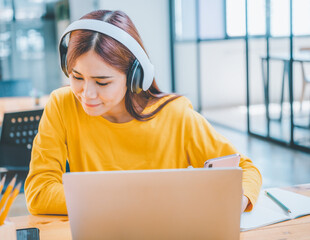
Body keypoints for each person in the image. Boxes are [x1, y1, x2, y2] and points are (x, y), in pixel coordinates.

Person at [25, 10, 262, 215]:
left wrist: (234, 203)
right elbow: (39, 192)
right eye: (77, 77)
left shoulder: (175, 116)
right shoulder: (62, 104)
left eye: (102, 82)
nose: (86, 94)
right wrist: (128, 202)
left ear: (136, 77)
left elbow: (245, 171)